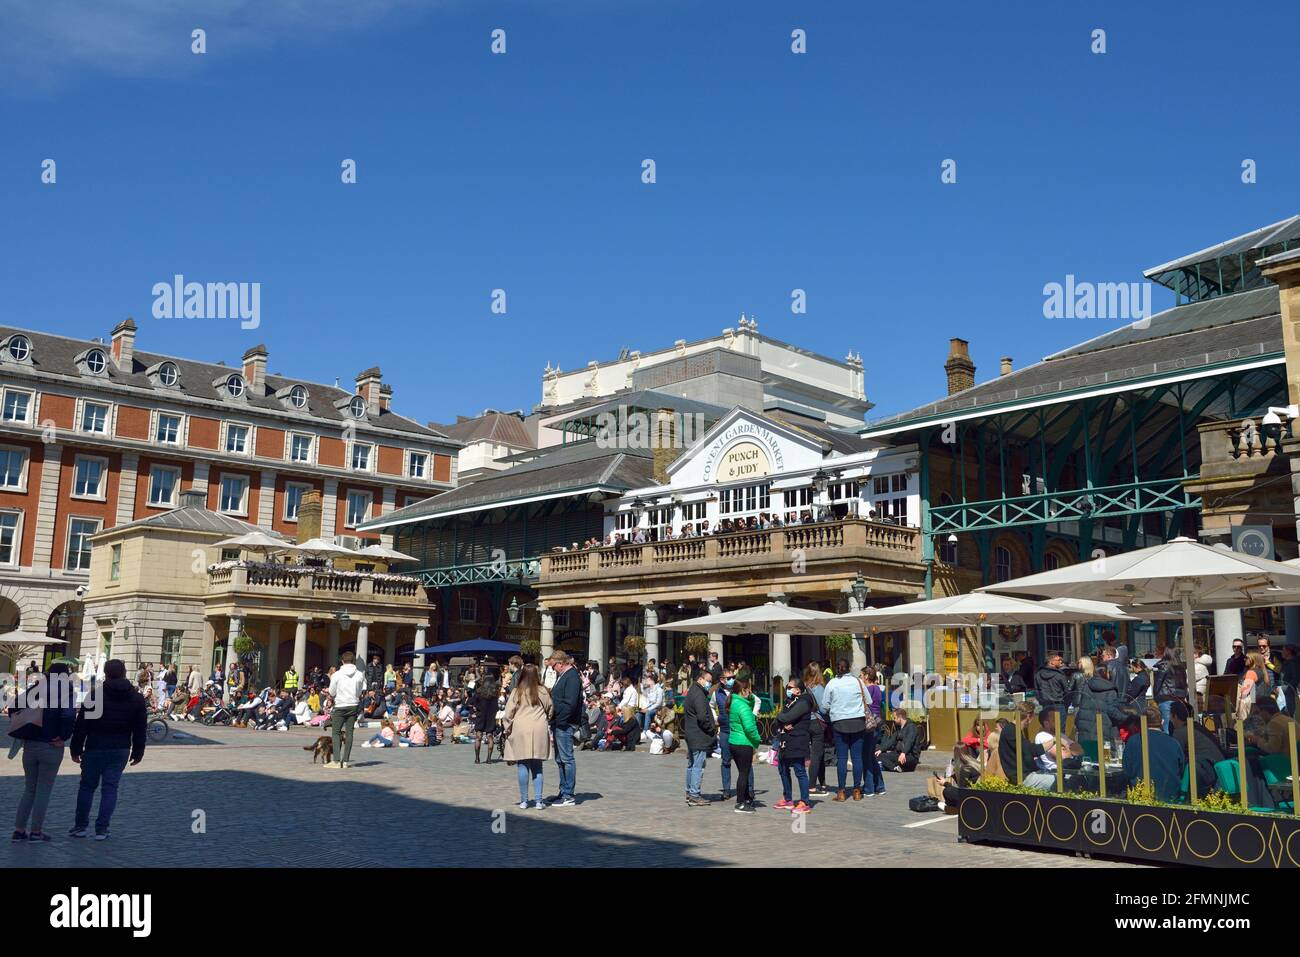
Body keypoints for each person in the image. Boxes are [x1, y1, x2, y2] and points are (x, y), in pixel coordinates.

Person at [68, 659, 147, 840]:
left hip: (95, 746)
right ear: (124, 672)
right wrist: (138, 751)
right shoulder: (136, 698)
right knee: (110, 788)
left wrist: (75, 748)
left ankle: (80, 827)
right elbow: (140, 728)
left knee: (87, 787)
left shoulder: (95, 695)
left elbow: (82, 725)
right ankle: (102, 829)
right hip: (120, 748)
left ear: (106, 673)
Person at [10, 663, 77, 842]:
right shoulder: (66, 692)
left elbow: (13, 707)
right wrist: (63, 736)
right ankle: (36, 832)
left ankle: (18, 830)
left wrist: (26, 727)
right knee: (43, 790)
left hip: (30, 745)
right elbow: (69, 716)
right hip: (51, 745)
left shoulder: (36, 689)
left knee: (29, 789)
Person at [503, 664, 553, 810]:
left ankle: (524, 800)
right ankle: (538, 801)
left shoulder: (517, 691)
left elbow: (508, 713)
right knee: (537, 766)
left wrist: (507, 728)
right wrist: (546, 719)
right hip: (539, 727)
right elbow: (550, 709)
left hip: (521, 728)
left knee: (523, 764)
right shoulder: (543, 691)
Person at [823, 659, 867, 801]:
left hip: (839, 722)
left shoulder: (832, 683)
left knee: (842, 758)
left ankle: (841, 791)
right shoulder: (858, 682)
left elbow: (825, 705)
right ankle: (856, 790)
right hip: (858, 721)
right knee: (857, 757)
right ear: (849, 668)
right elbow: (869, 700)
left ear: (837, 669)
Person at [1117, 713, 1185, 802]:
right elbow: (1181, 770)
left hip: (1141, 798)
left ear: (1142, 723)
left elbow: (1127, 771)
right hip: (1170, 799)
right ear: (1162, 722)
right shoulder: (1174, 743)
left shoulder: (1133, 741)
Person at [773, 677, 814, 813]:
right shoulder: (789, 702)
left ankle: (804, 801)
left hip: (798, 740)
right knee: (782, 769)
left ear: (797, 690)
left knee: (799, 770)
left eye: (790, 688)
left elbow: (785, 717)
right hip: (785, 740)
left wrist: (783, 719)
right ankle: (788, 798)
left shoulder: (804, 702)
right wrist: (783, 722)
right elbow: (781, 718)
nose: (787, 690)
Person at [1167, 700, 1224, 797]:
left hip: (1205, 773)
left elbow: (1174, 759)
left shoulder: (1180, 732)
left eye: (1170, 716)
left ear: (1175, 716)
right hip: (1218, 770)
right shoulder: (1197, 726)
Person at [548, 651, 581, 807]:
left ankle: (568, 795)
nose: (553, 669)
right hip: (558, 722)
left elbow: (570, 703)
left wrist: (561, 720)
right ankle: (563, 791)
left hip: (565, 723)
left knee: (567, 759)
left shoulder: (572, 676)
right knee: (560, 759)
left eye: (554, 666)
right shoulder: (563, 676)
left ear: (560, 663)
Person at [728, 673, 762, 814]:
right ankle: (740, 803)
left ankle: (746, 798)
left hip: (734, 741)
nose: (751, 692)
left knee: (743, 772)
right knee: (744, 773)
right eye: (748, 689)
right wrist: (757, 740)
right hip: (743, 743)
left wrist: (749, 695)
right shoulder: (743, 707)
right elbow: (749, 728)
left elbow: (754, 700)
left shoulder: (735, 702)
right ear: (743, 690)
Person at [1024, 707, 1081, 792]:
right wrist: (1069, 749)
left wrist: (1066, 748)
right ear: (1046, 723)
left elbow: (1079, 751)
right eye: (1055, 720)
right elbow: (1063, 756)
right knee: (1081, 782)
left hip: (1070, 771)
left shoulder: (1060, 734)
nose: (1059, 722)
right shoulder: (1043, 736)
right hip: (1057, 775)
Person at [682, 666, 717, 806]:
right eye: (708, 680)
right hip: (698, 735)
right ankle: (694, 794)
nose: (709, 683)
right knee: (698, 765)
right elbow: (702, 717)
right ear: (701, 679)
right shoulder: (699, 694)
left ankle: (689, 792)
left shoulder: (693, 691)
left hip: (691, 733)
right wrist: (711, 729)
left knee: (691, 765)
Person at [326, 651, 367, 769]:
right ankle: (346, 761)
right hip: (353, 704)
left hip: (340, 705)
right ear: (353, 661)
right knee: (349, 732)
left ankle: (336, 761)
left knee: (336, 732)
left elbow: (332, 691)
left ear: (342, 661)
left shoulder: (337, 675)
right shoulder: (360, 674)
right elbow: (361, 690)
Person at [1072, 656, 1120, 751]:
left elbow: (1082, 705)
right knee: (1104, 757)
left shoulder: (1086, 686)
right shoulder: (1111, 690)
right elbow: (1112, 711)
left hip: (1086, 728)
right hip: (1103, 729)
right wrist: (1127, 718)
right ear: (1106, 674)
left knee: (1088, 757)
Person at [804, 663, 829, 796]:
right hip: (817, 722)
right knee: (816, 754)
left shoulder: (804, 687)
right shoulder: (819, 688)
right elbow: (824, 708)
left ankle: (822, 782)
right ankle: (812, 786)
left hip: (806, 722)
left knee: (819, 753)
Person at [1152, 646, 1188, 733]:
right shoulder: (1181, 667)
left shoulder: (1164, 665)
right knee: (1178, 726)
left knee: (1166, 726)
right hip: (1180, 698)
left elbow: (1158, 683)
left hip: (1166, 698)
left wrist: (1155, 696)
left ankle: (1167, 745)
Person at [877, 708, 922, 772]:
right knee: (879, 755)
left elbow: (910, 741)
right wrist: (881, 749)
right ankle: (894, 768)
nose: (894, 720)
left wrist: (904, 753)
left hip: (910, 755)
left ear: (900, 717)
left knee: (900, 761)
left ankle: (892, 766)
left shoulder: (912, 727)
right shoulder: (898, 728)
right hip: (898, 753)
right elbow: (891, 741)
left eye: (895, 718)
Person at [472, 667, 500, 764]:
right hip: (491, 715)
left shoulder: (479, 691)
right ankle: (489, 758)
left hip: (481, 714)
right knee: (490, 736)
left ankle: (477, 758)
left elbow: (473, 702)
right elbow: (497, 706)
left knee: (478, 736)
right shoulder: (495, 693)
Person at [1034, 652, 1070, 720]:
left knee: (1048, 728)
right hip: (1058, 705)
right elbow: (1067, 692)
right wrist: (1066, 705)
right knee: (1060, 729)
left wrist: (1041, 701)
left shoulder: (1038, 673)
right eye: (1058, 660)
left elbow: (1037, 691)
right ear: (1051, 662)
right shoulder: (1059, 675)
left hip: (1046, 704)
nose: (1061, 661)